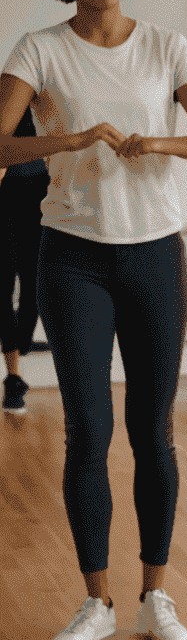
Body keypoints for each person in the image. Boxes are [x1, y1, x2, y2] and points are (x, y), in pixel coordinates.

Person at [0, 0, 187, 640]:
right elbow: (0, 143)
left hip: (155, 252)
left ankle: (154, 595)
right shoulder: (39, 49)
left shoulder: (166, 47)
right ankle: (96, 600)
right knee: (89, 429)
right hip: (72, 257)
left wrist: (159, 144)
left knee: (152, 430)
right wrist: (61, 142)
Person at [2, 105, 50, 414]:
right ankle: (14, 379)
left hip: (38, 196)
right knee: (4, 288)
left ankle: (22, 339)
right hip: (5, 201)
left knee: (36, 286)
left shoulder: (38, 109)